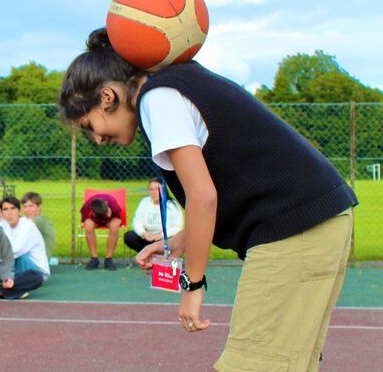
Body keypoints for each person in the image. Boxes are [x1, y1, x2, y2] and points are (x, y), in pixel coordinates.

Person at [58, 27, 358, 370]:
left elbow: (203, 196)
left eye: (89, 125)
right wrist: (182, 240)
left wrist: (193, 283)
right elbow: (232, 181)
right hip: (318, 216)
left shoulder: (157, 98)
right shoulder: (176, 86)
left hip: (295, 226)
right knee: (286, 363)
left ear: (107, 97)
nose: (96, 139)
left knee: (252, 363)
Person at [0, 196, 50, 280]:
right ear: (1, 212)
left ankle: (4, 279)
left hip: (38, 272)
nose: (9, 213)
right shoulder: (2, 225)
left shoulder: (28, 226)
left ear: (19, 211)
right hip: (13, 265)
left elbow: (15, 250)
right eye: (5, 209)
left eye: (13, 208)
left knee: (19, 257)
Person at [125, 178, 183, 253]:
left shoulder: (172, 205)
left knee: (173, 239)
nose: (154, 192)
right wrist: (143, 233)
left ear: (163, 190)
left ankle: (154, 254)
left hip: (164, 238)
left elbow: (178, 227)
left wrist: (161, 235)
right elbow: (137, 222)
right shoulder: (144, 202)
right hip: (148, 237)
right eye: (151, 189)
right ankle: (150, 254)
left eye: (157, 189)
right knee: (129, 236)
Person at [79, 193, 124, 270]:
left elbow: (119, 219)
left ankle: (108, 259)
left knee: (114, 226)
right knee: (88, 226)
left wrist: (109, 216)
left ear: (106, 204)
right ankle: (94, 259)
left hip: (110, 220)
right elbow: (84, 221)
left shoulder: (113, 205)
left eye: (107, 212)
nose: (108, 215)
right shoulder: (86, 208)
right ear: (93, 212)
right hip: (95, 220)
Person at [21, 192, 56, 263]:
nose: (27, 209)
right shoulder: (30, 220)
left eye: (31, 206)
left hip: (37, 262)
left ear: (39, 207)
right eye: (25, 206)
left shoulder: (38, 220)